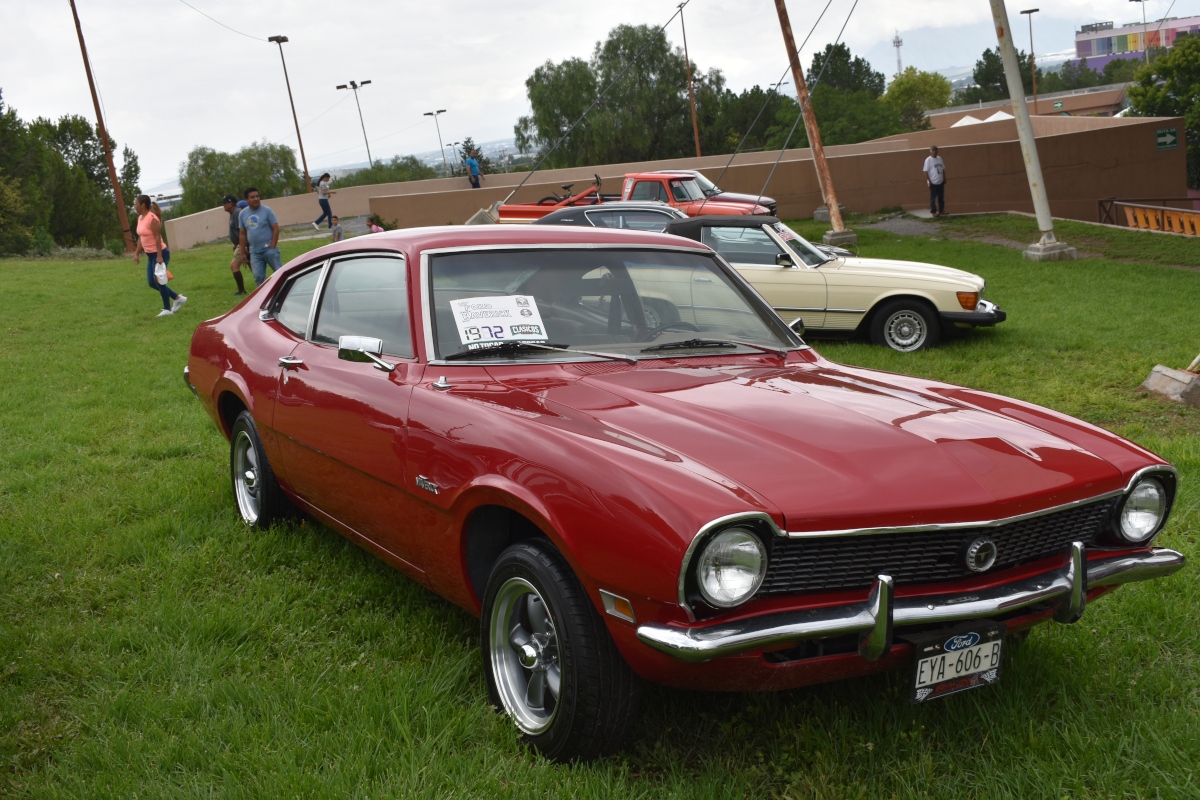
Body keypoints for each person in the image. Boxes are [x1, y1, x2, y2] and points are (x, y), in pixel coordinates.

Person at [133, 194, 186, 317]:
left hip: (159, 253)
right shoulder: (140, 218)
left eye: (136, 204)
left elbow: (158, 238)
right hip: (150, 255)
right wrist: (136, 253)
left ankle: (167, 309)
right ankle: (177, 298)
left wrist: (159, 256)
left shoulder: (152, 219)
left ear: (143, 205)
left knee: (159, 282)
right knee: (152, 283)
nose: (135, 206)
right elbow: (141, 237)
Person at [239, 187, 282, 286]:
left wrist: (273, 246)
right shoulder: (242, 214)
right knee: (258, 277)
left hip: (269, 249)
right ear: (247, 200)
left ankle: (285, 293)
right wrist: (242, 253)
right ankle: (265, 299)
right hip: (254, 252)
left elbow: (275, 228)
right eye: (252, 197)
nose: (256, 199)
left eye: (257, 196)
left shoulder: (267, 211)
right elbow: (242, 234)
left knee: (280, 273)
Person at [222, 194, 248, 295]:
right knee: (255, 269)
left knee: (234, 266)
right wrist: (235, 244)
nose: (223, 205)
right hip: (240, 244)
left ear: (231, 203)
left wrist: (242, 246)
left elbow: (242, 231)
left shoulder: (237, 213)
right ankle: (266, 285)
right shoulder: (233, 213)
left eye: (225, 203)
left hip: (243, 245)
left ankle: (241, 290)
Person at [923, 145, 946, 217]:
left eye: (936, 150)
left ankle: (941, 210)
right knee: (933, 198)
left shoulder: (940, 159)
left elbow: (943, 168)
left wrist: (944, 177)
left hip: (940, 181)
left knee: (941, 197)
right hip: (933, 182)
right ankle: (933, 211)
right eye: (933, 150)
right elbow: (925, 171)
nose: (935, 151)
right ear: (931, 151)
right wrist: (929, 181)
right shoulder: (928, 160)